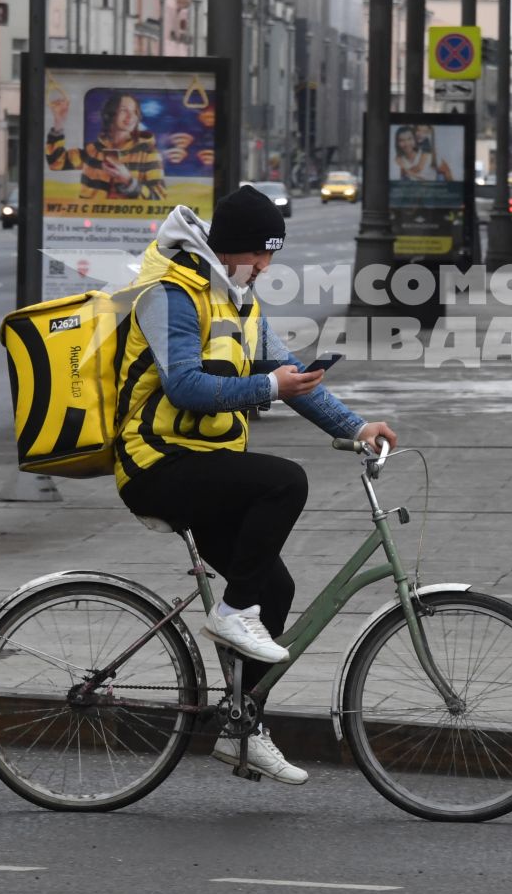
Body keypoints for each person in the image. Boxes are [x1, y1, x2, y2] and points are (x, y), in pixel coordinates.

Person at [114, 185, 397, 786]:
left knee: (275, 585)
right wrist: (271, 389)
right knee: (284, 482)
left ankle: (243, 728)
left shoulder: (237, 301)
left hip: (205, 466)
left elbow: (286, 373)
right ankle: (231, 612)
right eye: (261, 254)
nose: (267, 266)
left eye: (273, 255)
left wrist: (355, 428)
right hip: (155, 464)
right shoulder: (170, 294)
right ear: (233, 248)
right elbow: (186, 387)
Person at [47, 92, 167, 201]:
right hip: (93, 222)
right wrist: (59, 122)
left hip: (130, 222)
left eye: (135, 111)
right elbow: (57, 162)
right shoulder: (93, 150)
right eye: (124, 110)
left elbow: (159, 197)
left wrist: (128, 181)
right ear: (109, 114)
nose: (131, 116)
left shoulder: (149, 154)